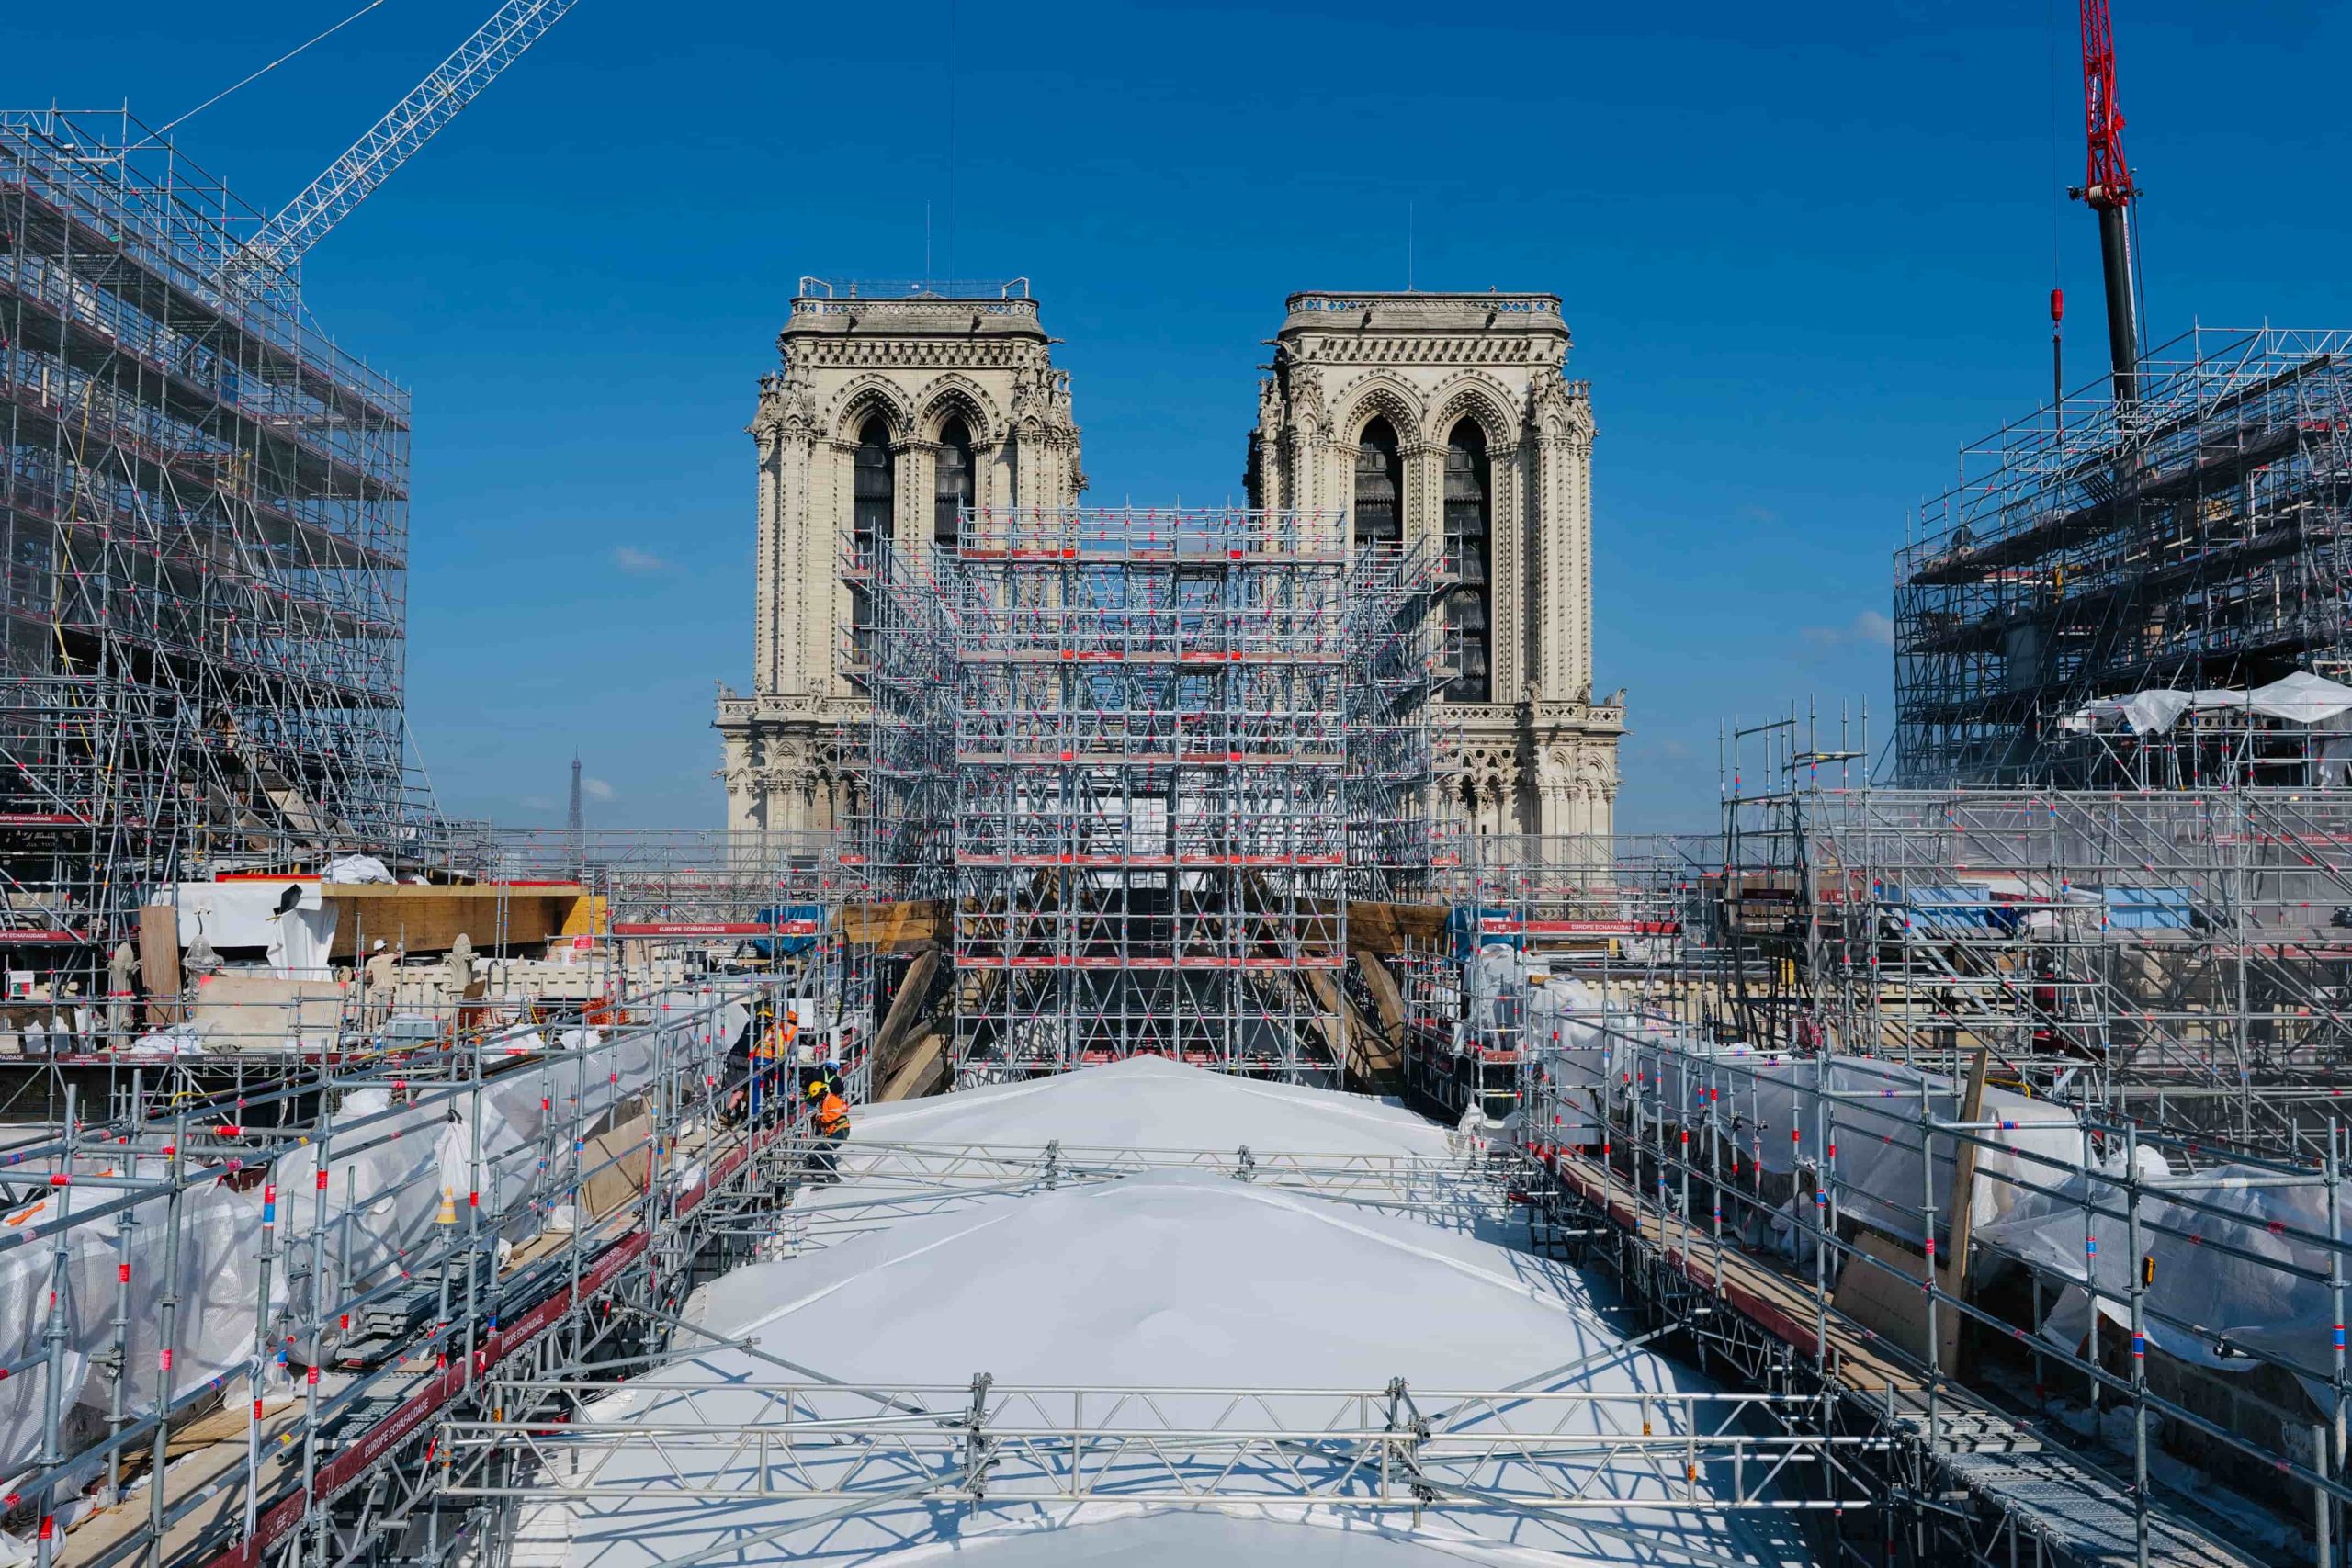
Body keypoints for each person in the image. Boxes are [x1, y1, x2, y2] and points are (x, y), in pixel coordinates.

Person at [806, 1078, 850, 1186]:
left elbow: (840, 1110)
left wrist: (822, 1119)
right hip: (833, 1131)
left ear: (821, 1091)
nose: (816, 1099)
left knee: (826, 1148)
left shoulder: (831, 1099)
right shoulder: (824, 1102)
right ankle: (820, 1178)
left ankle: (833, 1175)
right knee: (817, 1149)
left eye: (816, 1096)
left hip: (841, 1130)